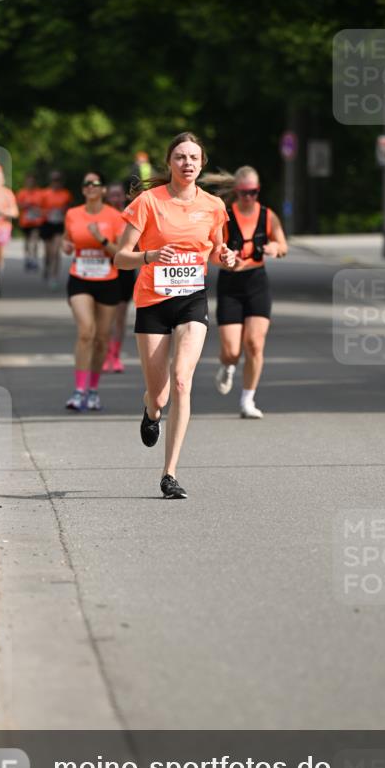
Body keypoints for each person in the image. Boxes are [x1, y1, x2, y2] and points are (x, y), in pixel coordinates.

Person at [114, 132, 236, 499]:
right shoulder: (148, 202)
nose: (187, 163)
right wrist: (149, 256)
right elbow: (120, 257)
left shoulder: (214, 205)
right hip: (152, 301)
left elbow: (215, 250)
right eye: (180, 157)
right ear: (169, 162)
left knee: (182, 379)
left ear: (202, 164)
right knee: (161, 394)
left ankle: (169, 474)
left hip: (191, 302)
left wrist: (226, 259)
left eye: (194, 158)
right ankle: (151, 411)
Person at [203, 166, 288, 418]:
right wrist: (226, 261)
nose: (249, 197)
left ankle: (247, 400)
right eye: (244, 193)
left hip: (257, 283)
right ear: (236, 192)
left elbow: (283, 244)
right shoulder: (226, 217)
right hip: (230, 284)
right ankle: (227, 366)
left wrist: (275, 247)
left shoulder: (268, 216)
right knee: (231, 351)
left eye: (253, 192)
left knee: (254, 344)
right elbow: (211, 253)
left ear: (258, 190)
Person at [61, 172, 125, 411]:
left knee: (101, 339)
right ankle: (78, 390)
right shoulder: (72, 214)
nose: (89, 186)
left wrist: (100, 239)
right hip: (80, 277)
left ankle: (93, 390)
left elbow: (120, 253)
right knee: (86, 331)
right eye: (85, 183)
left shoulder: (115, 216)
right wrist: (65, 245)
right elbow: (66, 241)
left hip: (108, 279)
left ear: (104, 189)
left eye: (94, 183)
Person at [103, 181, 133, 373]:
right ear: (107, 197)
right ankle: (106, 355)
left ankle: (115, 355)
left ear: (124, 197)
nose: (116, 198)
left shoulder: (131, 216)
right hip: (104, 270)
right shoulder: (102, 216)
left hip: (126, 271)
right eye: (112, 195)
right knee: (107, 317)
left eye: (119, 195)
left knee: (120, 316)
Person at [40, 171, 73, 286]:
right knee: (48, 252)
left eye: (58, 180)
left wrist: (63, 212)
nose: (56, 183)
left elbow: (69, 209)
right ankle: (46, 267)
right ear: (51, 181)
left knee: (55, 252)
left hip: (59, 224)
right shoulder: (45, 193)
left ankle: (54, 276)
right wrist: (47, 212)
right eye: (54, 180)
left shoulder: (66, 194)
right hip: (47, 224)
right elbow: (39, 209)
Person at [16, 173, 44, 270]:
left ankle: (34, 259)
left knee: (35, 240)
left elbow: (44, 206)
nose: (30, 183)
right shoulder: (22, 193)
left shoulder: (40, 193)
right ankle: (28, 258)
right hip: (25, 221)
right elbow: (18, 206)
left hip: (36, 221)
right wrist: (26, 205)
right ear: (26, 182)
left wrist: (37, 208)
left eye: (32, 181)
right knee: (27, 241)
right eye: (28, 181)